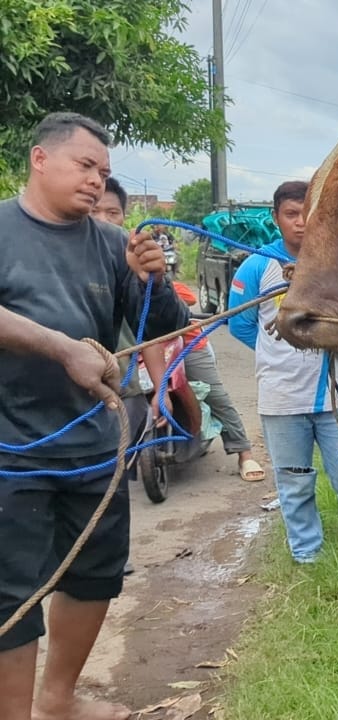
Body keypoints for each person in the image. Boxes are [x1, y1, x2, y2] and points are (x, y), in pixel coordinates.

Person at [0, 112, 188, 720]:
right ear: (39, 159)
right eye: (85, 166)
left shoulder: (112, 243)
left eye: (103, 172)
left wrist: (153, 282)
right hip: (11, 451)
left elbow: (161, 329)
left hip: (96, 446)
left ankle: (58, 700)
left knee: (96, 575)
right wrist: (61, 347)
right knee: (10, 596)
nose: (95, 181)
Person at [91, 178, 265, 482]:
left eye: (112, 213)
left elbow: (155, 329)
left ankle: (243, 451)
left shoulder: (150, 273)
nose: (103, 221)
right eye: (95, 212)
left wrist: (155, 283)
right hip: (120, 372)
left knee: (216, 395)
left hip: (184, 346)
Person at [228, 180, 338, 563]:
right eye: (291, 214)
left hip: (335, 395)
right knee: (294, 480)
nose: (301, 223)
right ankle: (307, 553)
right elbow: (239, 324)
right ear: (276, 218)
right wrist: (277, 353)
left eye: (308, 213)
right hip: (282, 396)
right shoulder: (259, 265)